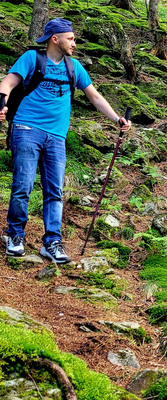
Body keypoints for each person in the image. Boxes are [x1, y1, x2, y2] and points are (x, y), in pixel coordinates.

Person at [0, 18, 131, 264]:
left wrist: (117, 119)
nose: (74, 43)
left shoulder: (74, 67)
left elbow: (94, 96)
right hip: (27, 128)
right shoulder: (32, 58)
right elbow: (8, 82)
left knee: (55, 191)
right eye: (70, 38)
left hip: (57, 136)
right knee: (23, 185)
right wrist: (2, 102)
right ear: (55, 39)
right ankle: (14, 236)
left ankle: (51, 242)